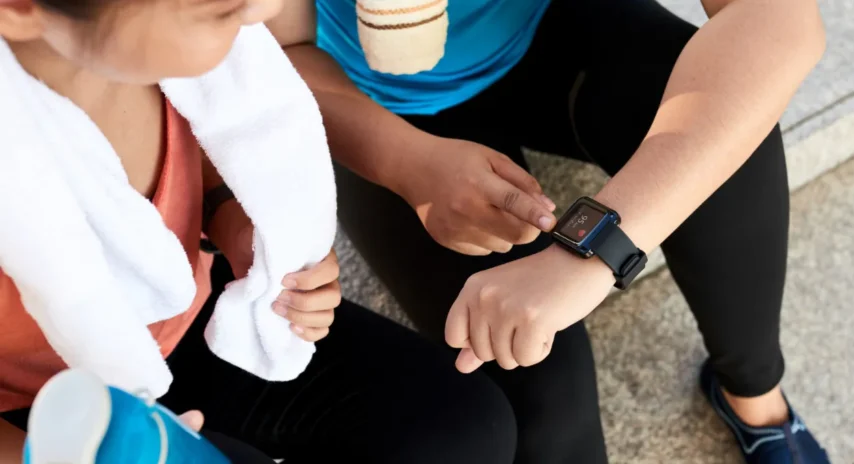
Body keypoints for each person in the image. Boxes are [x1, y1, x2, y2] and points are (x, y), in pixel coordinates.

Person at [269, 0, 830, 462]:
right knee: (536, 391)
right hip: (372, 99)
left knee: (736, 138)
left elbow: (778, 17)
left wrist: (594, 253)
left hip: (554, 22)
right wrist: (405, 164)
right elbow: (279, 49)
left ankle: (755, 394)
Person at [0, 1, 516, 462]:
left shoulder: (141, 54)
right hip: (45, 413)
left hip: (192, 316)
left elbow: (201, 152)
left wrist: (238, 228)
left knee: (464, 427)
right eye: (217, 7)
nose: (269, 9)